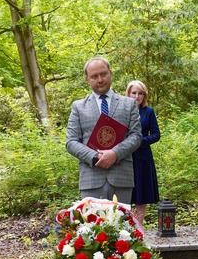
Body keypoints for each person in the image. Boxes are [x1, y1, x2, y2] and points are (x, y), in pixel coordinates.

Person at [66, 57, 142, 203]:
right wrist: (95, 157)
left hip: (121, 177)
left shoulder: (129, 104)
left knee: (122, 224)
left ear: (110, 73)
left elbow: (136, 136)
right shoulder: (78, 107)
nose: (100, 79)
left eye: (103, 74)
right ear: (87, 79)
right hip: (91, 177)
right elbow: (71, 142)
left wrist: (115, 153)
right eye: (94, 76)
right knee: (92, 225)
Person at [125, 80, 160, 225]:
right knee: (126, 196)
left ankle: (137, 230)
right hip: (125, 159)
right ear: (128, 94)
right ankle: (124, 231)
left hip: (143, 158)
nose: (136, 96)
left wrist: (140, 141)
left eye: (140, 93)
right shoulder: (122, 111)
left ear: (144, 96)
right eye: (134, 93)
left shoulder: (148, 112)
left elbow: (156, 134)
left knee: (142, 195)